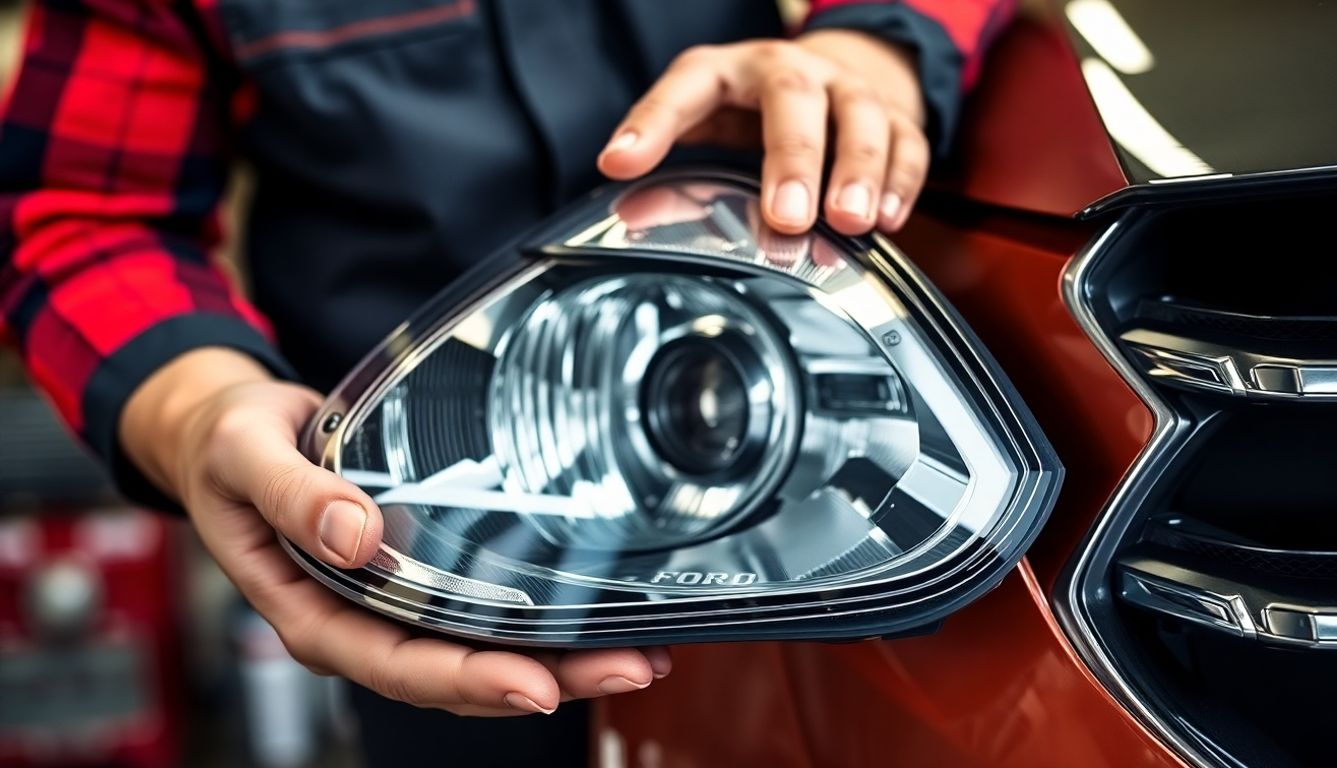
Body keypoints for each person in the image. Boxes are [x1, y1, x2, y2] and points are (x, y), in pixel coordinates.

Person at [0, 0, 1011, 764]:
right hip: (421, 568)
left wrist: (872, 47)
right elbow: (83, 215)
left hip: (822, 525)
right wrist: (198, 411)